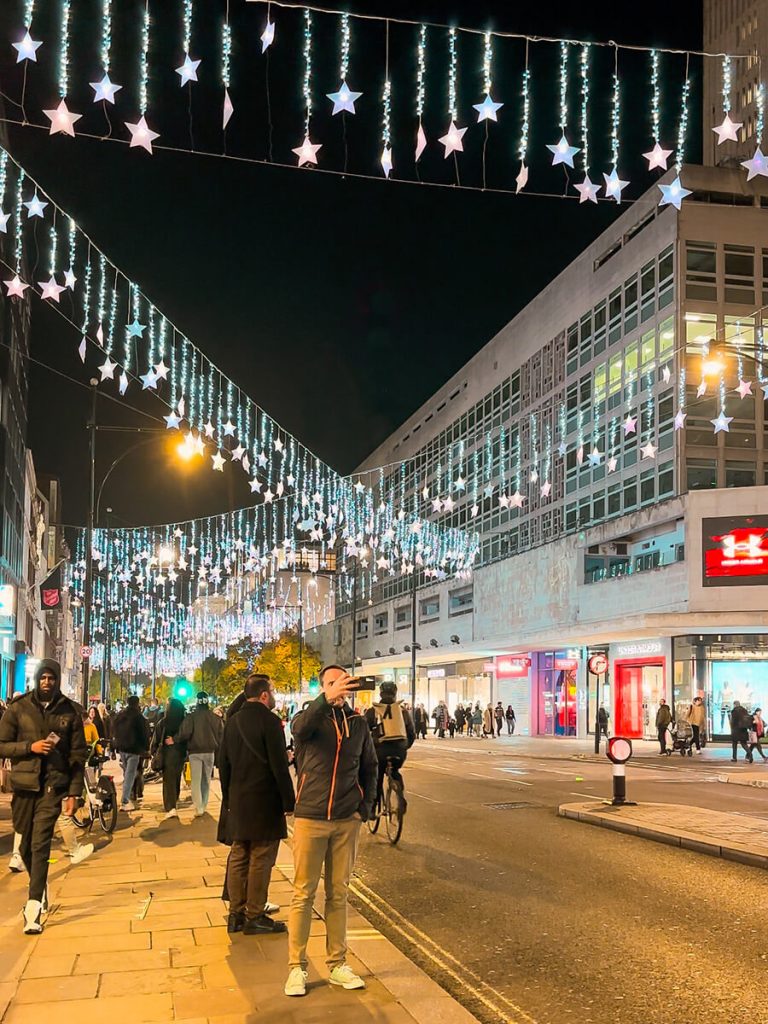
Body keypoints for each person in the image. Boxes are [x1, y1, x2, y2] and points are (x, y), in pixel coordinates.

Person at [285, 666, 377, 998]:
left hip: (345, 819)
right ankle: (296, 967)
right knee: (303, 893)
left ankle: (337, 963)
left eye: (343, 682)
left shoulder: (358, 723)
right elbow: (299, 729)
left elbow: (370, 766)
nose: (339, 688)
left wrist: (363, 809)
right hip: (311, 817)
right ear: (323, 687)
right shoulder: (308, 718)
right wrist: (325, 700)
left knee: (338, 893)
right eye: (332, 683)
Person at [0, 659, 87, 934]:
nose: (47, 682)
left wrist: (74, 793)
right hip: (24, 787)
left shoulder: (70, 711)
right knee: (24, 845)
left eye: (51, 678)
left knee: (40, 844)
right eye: (43, 678)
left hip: (53, 785)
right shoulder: (18, 708)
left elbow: (78, 755)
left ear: (57, 680)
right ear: (37, 679)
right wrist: (31, 747)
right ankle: (40, 885)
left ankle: (33, 907)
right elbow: (2, 745)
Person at [219, 675, 295, 935]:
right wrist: (289, 801)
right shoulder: (270, 722)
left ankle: (235, 915)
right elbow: (279, 767)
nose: (273, 696)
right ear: (264, 695)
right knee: (261, 858)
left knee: (239, 854)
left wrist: (228, 798)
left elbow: (223, 763)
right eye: (272, 691)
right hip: (264, 801)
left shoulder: (232, 721)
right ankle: (255, 915)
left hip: (238, 800)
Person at [364, 681, 415, 808]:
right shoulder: (402, 711)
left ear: (380, 694)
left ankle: (372, 808)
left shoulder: (373, 711)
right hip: (399, 751)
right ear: (395, 693)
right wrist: (404, 746)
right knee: (395, 771)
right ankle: (400, 795)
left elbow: (363, 732)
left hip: (380, 751)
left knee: (377, 775)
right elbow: (411, 733)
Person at [176, 691, 223, 817]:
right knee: (206, 780)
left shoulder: (191, 717)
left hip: (195, 751)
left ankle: (198, 807)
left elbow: (184, 733)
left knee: (195, 780)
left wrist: (175, 739)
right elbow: (221, 734)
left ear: (197, 701)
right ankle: (204, 804)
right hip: (210, 751)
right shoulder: (215, 717)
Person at [111, 694, 150, 811]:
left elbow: (113, 730)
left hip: (122, 748)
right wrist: (146, 749)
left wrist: (114, 746)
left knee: (127, 772)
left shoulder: (120, 715)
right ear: (137, 703)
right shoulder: (139, 717)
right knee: (130, 774)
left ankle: (127, 796)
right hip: (134, 749)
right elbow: (144, 734)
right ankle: (125, 800)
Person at [152, 698, 188, 819]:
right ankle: (175, 799)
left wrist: (154, 751)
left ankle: (170, 806)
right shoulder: (184, 722)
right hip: (180, 754)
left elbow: (156, 739)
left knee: (168, 781)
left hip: (167, 755)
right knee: (176, 778)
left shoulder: (163, 722)